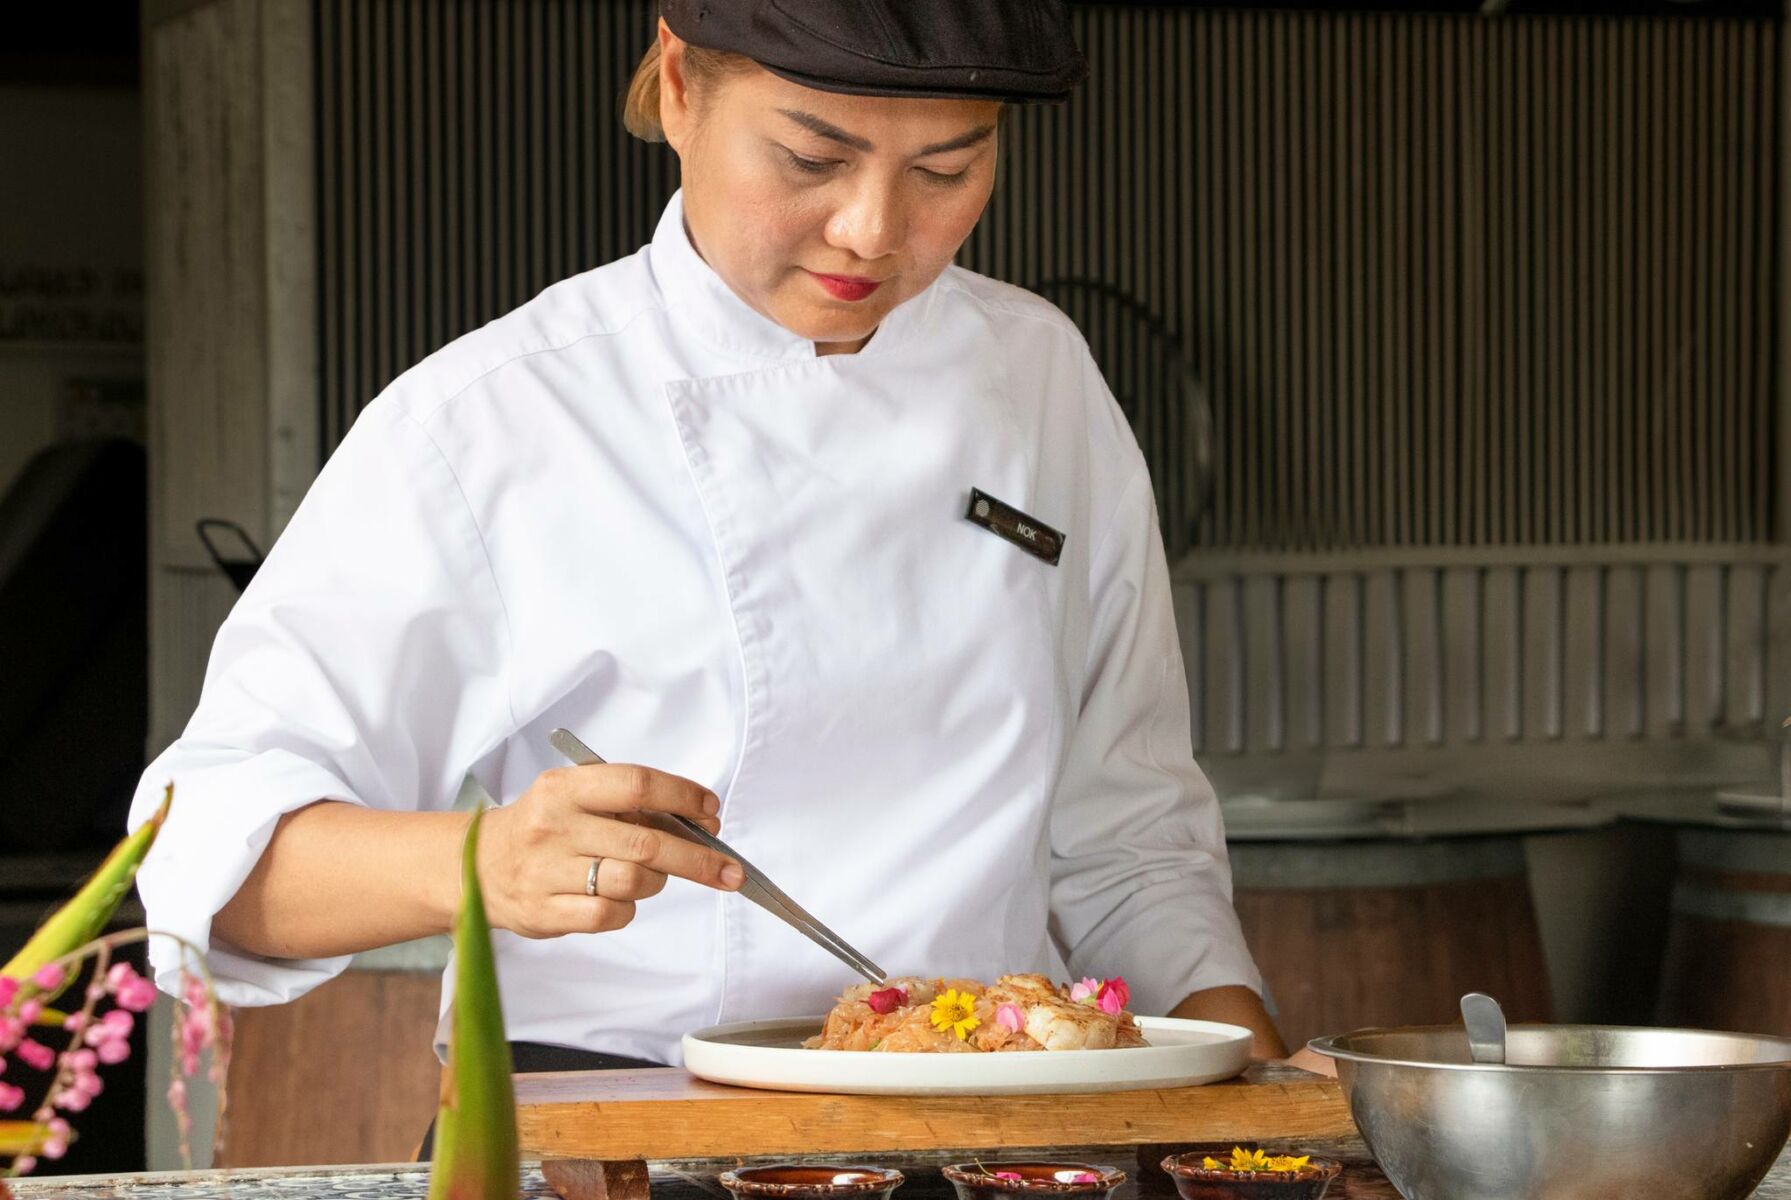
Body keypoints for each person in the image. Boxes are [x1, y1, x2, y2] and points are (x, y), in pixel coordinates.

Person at [127, 0, 1303, 1083]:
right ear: (680, 87)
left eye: (949, 168)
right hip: (609, 1124)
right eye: (810, 158)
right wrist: (479, 862)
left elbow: (1130, 833)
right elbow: (203, 857)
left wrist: (1252, 1081)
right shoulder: (495, 415)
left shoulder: (1039, 374)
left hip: (993, 1117)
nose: (873, 229)